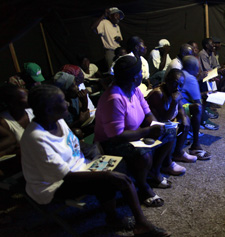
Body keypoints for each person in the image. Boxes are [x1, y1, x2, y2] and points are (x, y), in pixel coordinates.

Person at [20, 84, 170, 236]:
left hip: (77, 169)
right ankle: (140, 224)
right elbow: (64, 175)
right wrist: (105, 174)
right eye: (62, 101)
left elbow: (73, 147)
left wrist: (97, 158)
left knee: (118, 168)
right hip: (53, 185)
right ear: (49, 110)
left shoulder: (56, 121)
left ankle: (114, 217)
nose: (67, 103)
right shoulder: (36, 138)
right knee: (110, 178)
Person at [94, 54, 185, 207]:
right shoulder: (114, 98)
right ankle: (143, 187)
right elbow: (116, 136)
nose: (142, 74)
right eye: (139, 73)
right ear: (133, 77)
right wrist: (148, 132)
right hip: (111, 143)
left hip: (135, 133)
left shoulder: (134, 90)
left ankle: (155, 172)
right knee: (144, 155)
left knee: (169, 132)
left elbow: (148, 114)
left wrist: (157, 126)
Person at [146, 69, 197, 163]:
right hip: (152, 125)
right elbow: (165, 118)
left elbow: (181, 110)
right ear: (167, 81)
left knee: (186, 120)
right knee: (171, 128)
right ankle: (167, 163)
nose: (177, 87)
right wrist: (174, 102)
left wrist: (185, 119)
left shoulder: (174, 90)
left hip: (165, 121)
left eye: (181, 85)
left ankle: (178, 153)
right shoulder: (158, 93)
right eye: (174, 83)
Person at [180, 55, 212, 160]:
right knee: (198, 108)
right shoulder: (190, 78)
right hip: (181, 111)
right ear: (194, 67)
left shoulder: (180, 74)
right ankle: (196, 145)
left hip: (172, 107)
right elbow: (197, 101)